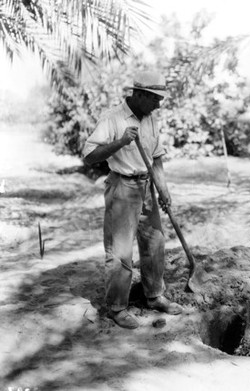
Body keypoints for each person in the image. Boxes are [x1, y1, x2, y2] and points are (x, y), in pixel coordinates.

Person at [83, 71, 183, 329]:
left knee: (155, 242)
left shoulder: (150, 119)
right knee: (120, 251)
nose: (158, 105)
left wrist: (163, 189)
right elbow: (89, 156)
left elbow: (156, 157)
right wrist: (120, 142)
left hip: (147, 185)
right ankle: (117, 308)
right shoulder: (112, 118)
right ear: (139, 94)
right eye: (154, 99)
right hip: (122, 186)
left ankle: (154, 295)